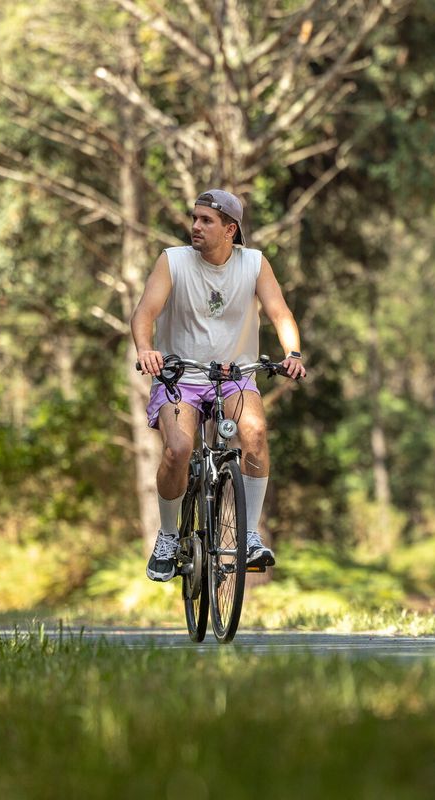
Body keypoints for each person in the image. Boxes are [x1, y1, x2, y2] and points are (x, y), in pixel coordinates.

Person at [131, 189, 307, 582]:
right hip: (181, 375)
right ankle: (168, 536)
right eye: (195, 218)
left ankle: (249, 536)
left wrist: (292, 353)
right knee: (178, 449)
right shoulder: (173, 261)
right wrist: (146, 349)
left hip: (235, 377)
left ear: (230, 230)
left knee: (255, 432)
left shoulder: (254, 264)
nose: (195, 226)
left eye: (206, 221)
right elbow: (145, 312)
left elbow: (279, 313)